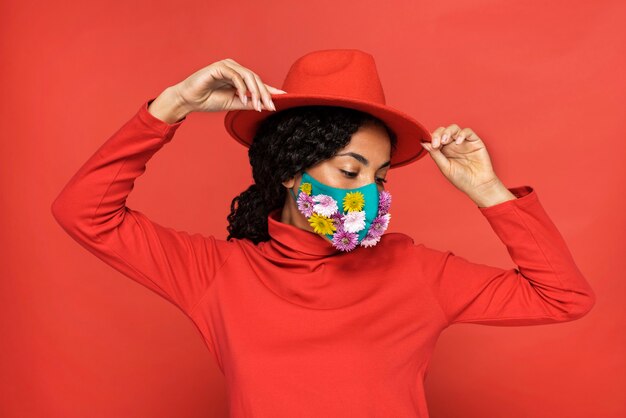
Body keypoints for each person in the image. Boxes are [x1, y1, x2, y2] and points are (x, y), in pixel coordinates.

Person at [51, 49, 596, 418]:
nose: (368, 193)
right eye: (350, 170)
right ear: (292, 170)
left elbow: (564, 298)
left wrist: (487, 190)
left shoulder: (416, 270)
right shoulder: (216, 274)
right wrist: (171, 107)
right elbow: (83, 213)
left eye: (380, 178)